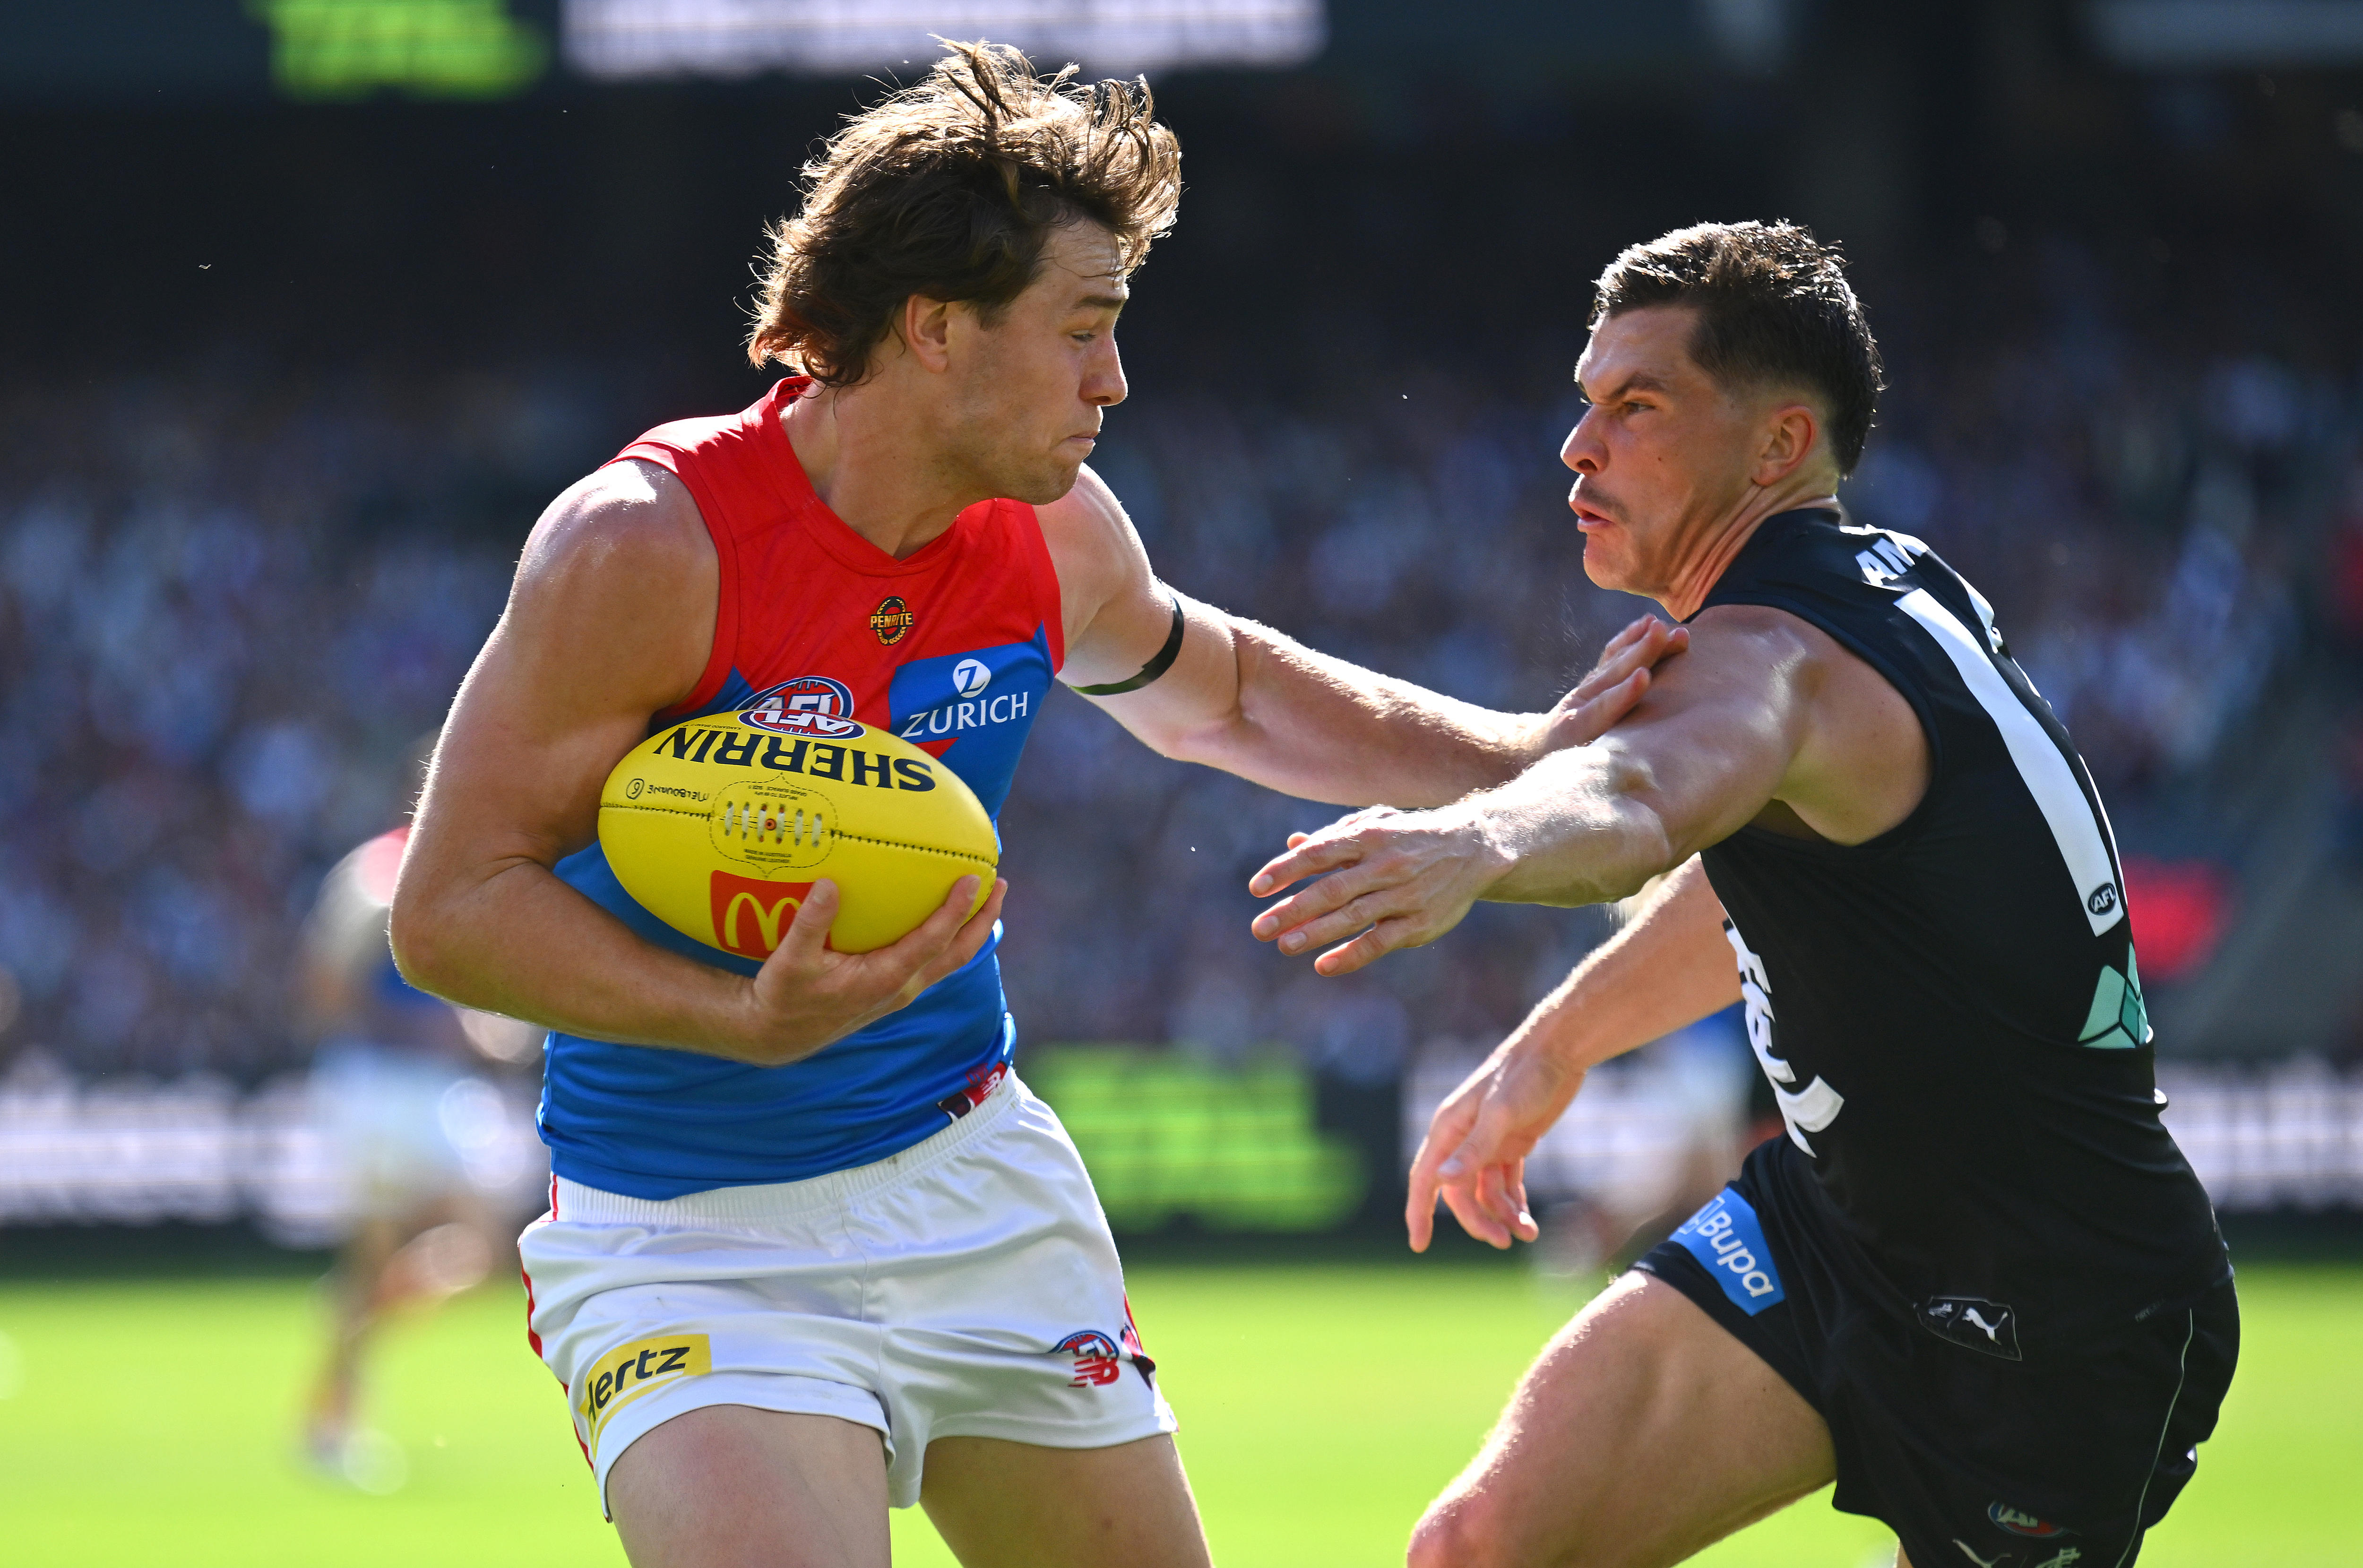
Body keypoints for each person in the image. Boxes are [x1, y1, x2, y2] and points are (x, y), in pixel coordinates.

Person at [389, 42, 1676, 1568]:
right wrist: (738, 1019)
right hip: (689, 1235)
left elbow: (1237, 692)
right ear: (936, 328)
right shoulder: (648, 545)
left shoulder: (1048, 531)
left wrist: (1528, 760)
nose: (1114, 379)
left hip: (974, 1185)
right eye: (1084, 329)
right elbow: (449, 908)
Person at [1250, 221, 2236, 1568]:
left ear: (1776, 448)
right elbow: (1742, 881)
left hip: (2062, 1309)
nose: (1578, 447)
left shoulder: (1776, 656)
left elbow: (1643, 800)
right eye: (1586, 401)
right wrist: (1557, 1043)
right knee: (1480, 1547)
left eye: (1636, 408)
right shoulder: (1897, 585)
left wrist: (1476, 840)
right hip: (1840, 1231)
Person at [299, 820, 528, 1482]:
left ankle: (336, 1395)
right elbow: (332, 986)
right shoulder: (383, 871)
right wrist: (432, 1030)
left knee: (445, 1251)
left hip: (400, 1084)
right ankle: (334, 1414)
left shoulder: (412, 867)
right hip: (389, 1085)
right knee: (461, 1244)